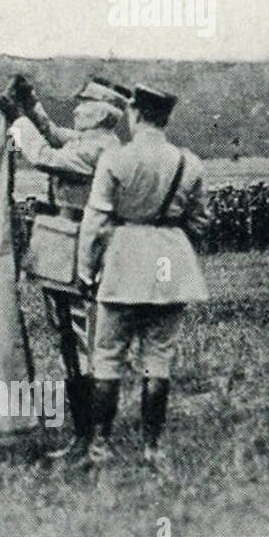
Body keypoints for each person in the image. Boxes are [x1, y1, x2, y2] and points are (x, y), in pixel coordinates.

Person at [77, 85, 210, 473]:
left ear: (134, 114)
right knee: (158, 360)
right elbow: (200, 221)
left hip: (123, 266)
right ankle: (153, 449)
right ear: (165, 118)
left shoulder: (116, 160)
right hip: (171, 267)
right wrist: (171, 243)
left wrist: (87, 270)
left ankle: (100, 447)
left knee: (107, 358)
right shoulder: (189, 163)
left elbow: (96, 222)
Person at [0, 73, 128, 459]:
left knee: (77, 343)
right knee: (73, 341)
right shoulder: (99, 143)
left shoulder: (95, 150)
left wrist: (17, 121)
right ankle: (87, 434)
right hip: (67, 248)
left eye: (84, 104)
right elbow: (54, 135)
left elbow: (45, 156)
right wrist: (31, 106)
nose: (77, 109)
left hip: (73, 252)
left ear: (102, 113)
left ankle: (88, 435)